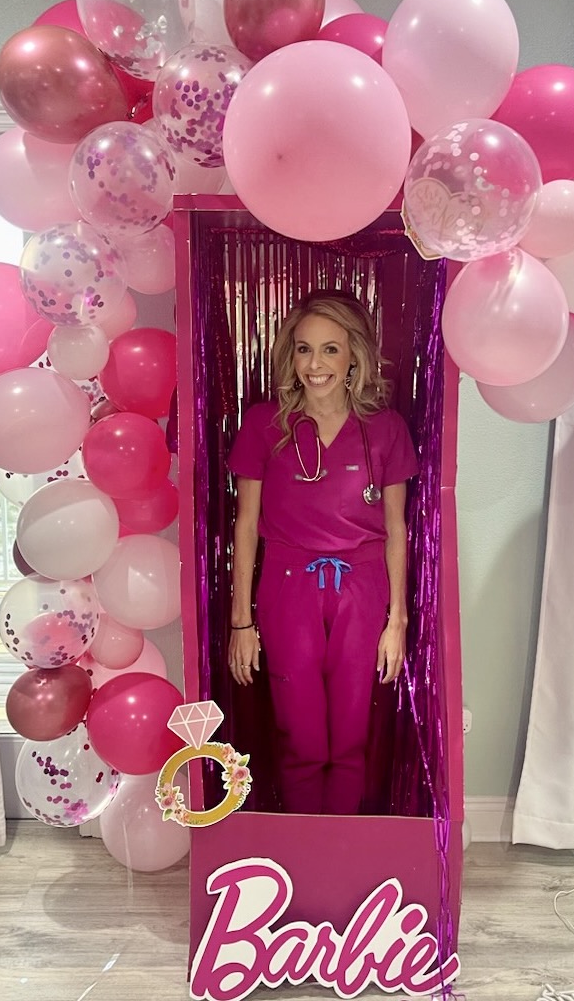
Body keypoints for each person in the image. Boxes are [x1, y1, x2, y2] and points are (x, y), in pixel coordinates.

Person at [227, 289, 419, 816]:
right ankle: (303, 852)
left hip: (362, 586)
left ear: (354, 354)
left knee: (352, 734)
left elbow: (397, 529)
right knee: (302, 735)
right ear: (291, 356)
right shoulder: (265, 425)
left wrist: (396, 621)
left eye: (331, 350)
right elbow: (246, 527)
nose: (316, 365)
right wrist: (241, 623)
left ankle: (342, 850)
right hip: (289, 588)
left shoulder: (385, 430)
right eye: (304, 349)